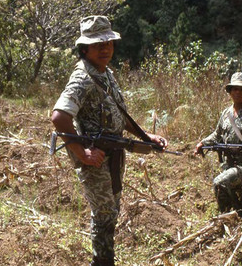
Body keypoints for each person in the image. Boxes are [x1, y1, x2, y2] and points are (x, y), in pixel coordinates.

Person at [51, 15, 168, 266]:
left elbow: (119, 114)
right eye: (98, 45)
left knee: (111, 212)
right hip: (97, 158)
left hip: (114, 155)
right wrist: (82, 153)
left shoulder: (105, 73)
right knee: (104, 216)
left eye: (109, 44)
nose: (105, 49)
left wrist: (146, 137)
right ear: (85, 49)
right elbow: (59, 117)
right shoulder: (83, 78)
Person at [194, 72, 242, 217]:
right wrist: (202, 143)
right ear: (230, 91)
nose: (238, 92)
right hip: (227, 163)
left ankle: (227, 218)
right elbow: (217, 135)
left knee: (220, 183)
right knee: (239, 199)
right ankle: (238, 218)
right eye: (235, 88)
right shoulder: (226, 113)